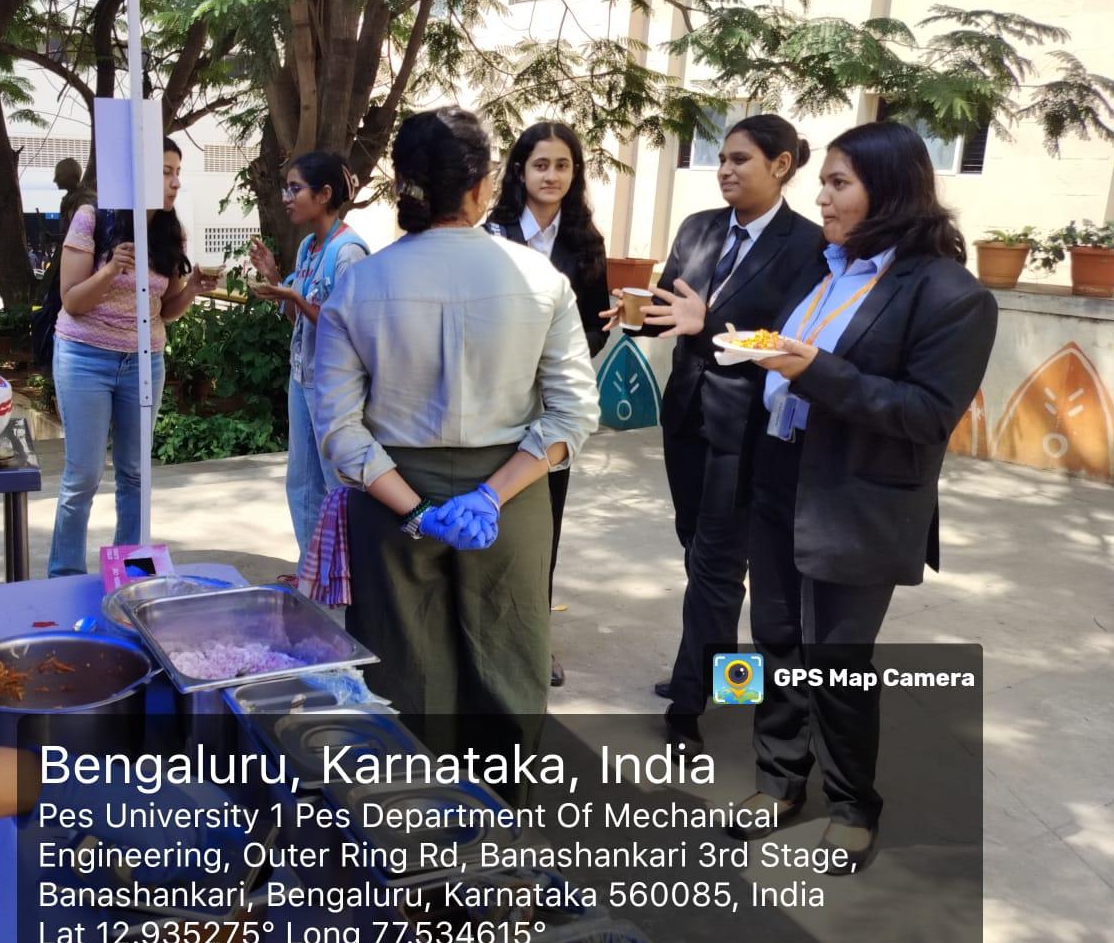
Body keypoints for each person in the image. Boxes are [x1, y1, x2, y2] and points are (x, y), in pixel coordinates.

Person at [720, 121, 997, 870]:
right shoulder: (828, 268)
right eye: (827, 182)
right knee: (774, 641)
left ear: (891, 190)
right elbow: (791, 358)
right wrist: (773, 356)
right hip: (781, 471)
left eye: (839, 182)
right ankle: (778, 782)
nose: (823, 196)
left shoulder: (951, 295)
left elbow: (927, 414)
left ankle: (853, 806)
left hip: (858, 498)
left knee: (834, 658)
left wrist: (813, 369)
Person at [313, 107, 598, 722]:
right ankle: (502, 813)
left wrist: (416, 512)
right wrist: (489, 498)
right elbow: (574, 412)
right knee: (508, 663)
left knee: (401, 668)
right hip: (510, 493)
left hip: (392, 497)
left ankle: (410, 811)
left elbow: (338, 429)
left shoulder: (359, 285)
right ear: (482, 185)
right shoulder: (539, 278)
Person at [613, 114, 823, 754]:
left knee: (715, 561)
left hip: (754, 427)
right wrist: (641, 315)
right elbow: (677, 314)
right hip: (688, 421)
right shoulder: (699, 228)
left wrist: (712, 319)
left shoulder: (808, 245)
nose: (725, 169)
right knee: (701, 549)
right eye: (722, 159)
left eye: (740, 160)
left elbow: (790, 340)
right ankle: (725, 676)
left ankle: (687, 702)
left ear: (781, 165)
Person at [47, 137, 219, 576]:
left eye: (178, 172)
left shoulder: (170, 231)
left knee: (136, 474)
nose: (176, 182)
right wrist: (110, 269)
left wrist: (194, 289)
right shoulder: (92, 219)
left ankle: (127, 574)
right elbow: (71, 302)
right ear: (136, 175)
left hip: (144, 362)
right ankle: (64, 574)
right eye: (165, 172)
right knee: (83, 476)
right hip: (85, 357)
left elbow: (166, 309)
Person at [486, 121, 612, 687]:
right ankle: (483, 636)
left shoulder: (587, 242)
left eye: (563, 165)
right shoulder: (491, 234)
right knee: (490, 516)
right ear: (519, 170)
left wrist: (562, 357)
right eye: (541, 164)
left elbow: (596, 326)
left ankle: (534, 642)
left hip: (554, 411)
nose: (552, 175)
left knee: (545, 528)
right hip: (494, 403)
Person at [247, 152, 369, 563]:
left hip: (335, 386)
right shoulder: (307, 247)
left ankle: (346, 574)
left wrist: (294, 294)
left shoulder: (348, 252)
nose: (286, 197)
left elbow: (349, 331)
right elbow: (296, 318)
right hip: (303, 378)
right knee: (301, 482)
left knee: (337, 482)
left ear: (325, 194)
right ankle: (313, 567)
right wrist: (274, 279)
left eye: (295, 188)